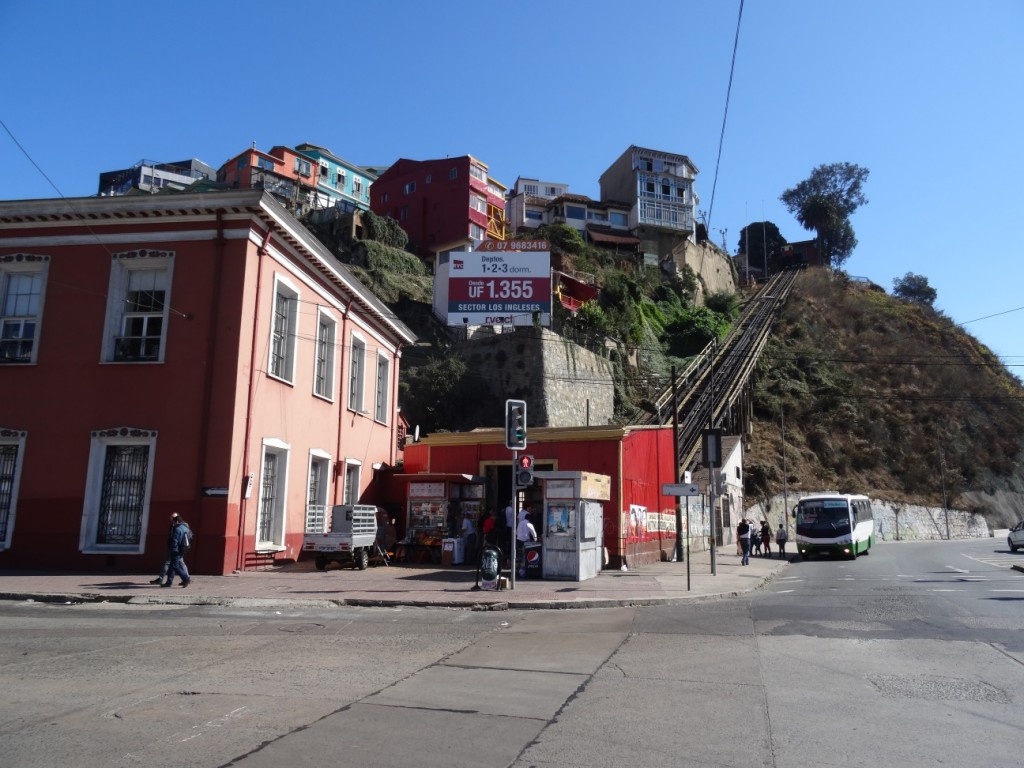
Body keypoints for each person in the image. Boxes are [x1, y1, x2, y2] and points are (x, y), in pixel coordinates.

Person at [161, 513, 192, 588]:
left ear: (176, 521)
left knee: (175, 566)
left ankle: (186, 578)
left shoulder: (177, 529)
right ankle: (169, 582)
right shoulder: (185, 528)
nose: (173, 523)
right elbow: (190, 536)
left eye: (173, 522)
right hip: (183, 548)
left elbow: (175, 541)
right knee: (172, 566)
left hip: (176, 550)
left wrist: (172, 549)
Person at [515, 507, 537, 575]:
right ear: (529, 519)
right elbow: (533, 532)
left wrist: (518, 536)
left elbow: (517, 531)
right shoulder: (529, 524)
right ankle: (523, 568)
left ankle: (517, 569)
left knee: (518, 555)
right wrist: (535, 539)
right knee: (525, 555)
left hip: (518, 540)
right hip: (525, 541)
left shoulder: (520, 523)